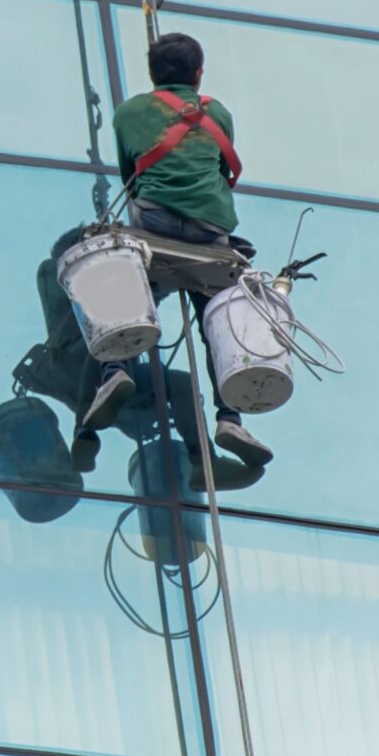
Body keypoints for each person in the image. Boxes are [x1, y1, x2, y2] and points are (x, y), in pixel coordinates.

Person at [84, 32, 271, 468]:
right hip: (211, 233)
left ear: (153, 75)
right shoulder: (217, 113)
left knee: (118, 282)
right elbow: (223, 168)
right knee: (216, 318)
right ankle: (230, 416)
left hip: (156, 225)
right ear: (198, 73)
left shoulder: (129, 113)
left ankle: (115, 372)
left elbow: (130, 174)